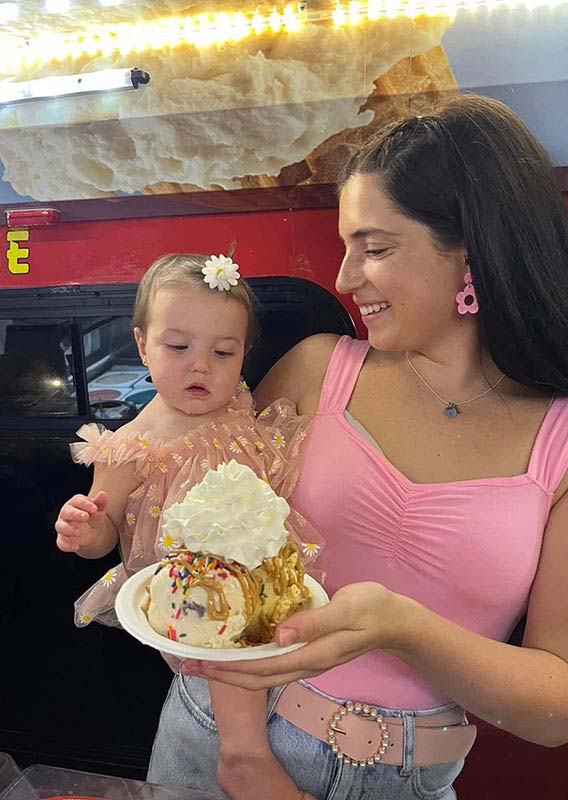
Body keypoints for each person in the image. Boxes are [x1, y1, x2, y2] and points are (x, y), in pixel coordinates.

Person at [148, 94, 568, 800]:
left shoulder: (557, 442)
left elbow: (554, 707)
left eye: (374, 248)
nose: (343, 278)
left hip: (403, 778)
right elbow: (213, 544)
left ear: (472, 253)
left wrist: (400, 626)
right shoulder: (316, 371)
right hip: (223, 741)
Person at [54, 252, 324, 800]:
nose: (200, 366)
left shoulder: (241, 407)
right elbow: (104, 529)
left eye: (222, 352)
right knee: (226, 660)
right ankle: (243, 754)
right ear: (141, 344)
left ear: (244, 355)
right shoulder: (130, 443)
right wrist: (86, 529)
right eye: (178, 347)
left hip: (259, 565)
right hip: (193, 587)